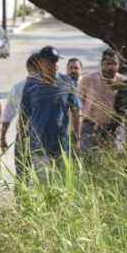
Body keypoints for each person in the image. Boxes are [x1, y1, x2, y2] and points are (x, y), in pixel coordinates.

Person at [18, 45, 81, 176]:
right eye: (50, 61)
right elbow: (23, 113)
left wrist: (76, 138)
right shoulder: (31, 83)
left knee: (61, 180)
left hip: (61, 143)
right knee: (43, 180)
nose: (54, 64)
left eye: (56, 61)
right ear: (41, 62)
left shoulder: (66, 82)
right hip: (37, 143)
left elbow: (76, 111)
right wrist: (22, 137)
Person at [0, 53, 41, 177]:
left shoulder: (49, 86)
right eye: (38, 68)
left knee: (41, 175)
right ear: (29, 68)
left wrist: (3, 137)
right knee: (23, 174)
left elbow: (8, 114)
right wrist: (2, 137)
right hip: (24, 135)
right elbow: (8, 114)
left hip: (42, 137)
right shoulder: (19, 87)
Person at [77, 49, 125, 152]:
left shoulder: (122, 82)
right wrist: (74, 131)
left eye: (114, 64)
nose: (111, 67)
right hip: (89, 127)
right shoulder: (88, 79)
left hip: (112, 129)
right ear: (101, 64)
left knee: (109, 158)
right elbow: (76, 106)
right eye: (108, 63)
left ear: (119, 65)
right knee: (87, 157)